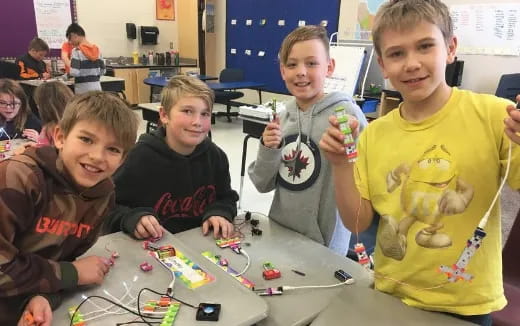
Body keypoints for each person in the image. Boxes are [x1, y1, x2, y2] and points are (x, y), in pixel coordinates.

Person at [319, 0, 520, 325]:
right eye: (397, 54)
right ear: (382, 65)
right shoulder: (374, 135)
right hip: (390, 292)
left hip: (464, 303)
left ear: (450, 48)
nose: (412, 63)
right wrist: (341, 165)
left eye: (425, 46)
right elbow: (358, 223)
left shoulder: (496, 116)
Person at [0, 91, 139, 326]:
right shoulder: (18, 177)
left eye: (113, 149)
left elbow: (58, 259)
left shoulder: (103, 196)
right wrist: (71, 274)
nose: (97, 156)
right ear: (60, 137)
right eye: (86, 139)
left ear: (123, 160)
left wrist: (42, 296)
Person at [248, 25, 368, 256]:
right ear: (283, 71)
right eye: (292, 65)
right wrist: (268, 149)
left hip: (325, 244)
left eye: (311, 63)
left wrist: (348, 155)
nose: (301, 72)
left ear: (329, 67)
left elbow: (363, 185)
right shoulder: (282, 118)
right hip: (281, 233)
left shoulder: (345, 117)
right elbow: (262, 184)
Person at [106, 75, 238, 240]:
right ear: (164, 115)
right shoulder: (138, 158)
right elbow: (106, 206)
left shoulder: (215, 156)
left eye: (205, 113)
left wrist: (220, 212)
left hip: (202, 244)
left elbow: (226, 197)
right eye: (187, 111)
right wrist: (132, 218)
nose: (197, 122)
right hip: (150, 249)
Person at [66, 23, 105, 94]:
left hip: (82, 90)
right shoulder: (97, 50)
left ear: (74, 35)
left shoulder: (76, 51)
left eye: (70, 39)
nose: (70, 42)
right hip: (97, 88)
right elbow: (103, 71)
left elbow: (74, 72)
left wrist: (67, 76)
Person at [33, 81, 74, 146]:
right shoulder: (78, 123)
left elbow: (44, 152)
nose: (37, 107)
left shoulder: (49, 129)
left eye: (38, 104)